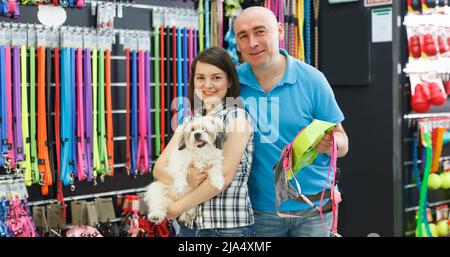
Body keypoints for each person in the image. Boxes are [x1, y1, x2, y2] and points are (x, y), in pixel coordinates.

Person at [233, 6, 349, 237]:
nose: (252, 42)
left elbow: (343, 142)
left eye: (260, 32)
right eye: (243, 36)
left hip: (313, 208)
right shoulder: (231, 83)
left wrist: (333, 143)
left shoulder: (312, 80)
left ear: (279, 31)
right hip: (258, 210)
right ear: (237, 43)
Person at [151, 47, 255, 237]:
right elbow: (158, 169)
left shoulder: (236, 118)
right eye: (200, 78)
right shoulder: (190, 121)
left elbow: (223, 177)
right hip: (189, 227)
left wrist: (177, 207)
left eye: (216, 77)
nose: (207, 85)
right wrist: (188, 178)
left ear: (229, 80)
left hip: (226, 228)